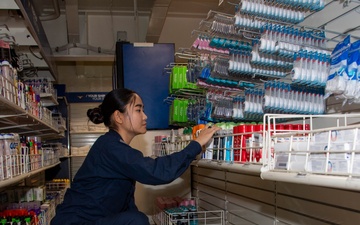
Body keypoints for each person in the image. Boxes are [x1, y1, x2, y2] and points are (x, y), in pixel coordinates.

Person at [50, 88, 221, 225]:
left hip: (90, 220)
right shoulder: (110, 146)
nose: (145, 116)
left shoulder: (114, 145)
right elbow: (156, 172)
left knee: (135, 216)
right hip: (76, 222)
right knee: (137, 220)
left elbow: (125, 201)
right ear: (119, 117)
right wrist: (196, 144)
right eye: (138, 110)